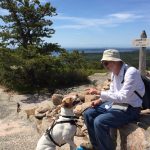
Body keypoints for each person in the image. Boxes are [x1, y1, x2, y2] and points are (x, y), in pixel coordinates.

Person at [81, 49, 145, 150]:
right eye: (103, 63)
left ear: (115, 61)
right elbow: (112, 92)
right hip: (117, 104)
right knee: (88, 114)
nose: (105, 66)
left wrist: (99, 92)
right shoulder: (114, 73)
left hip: (131, 108)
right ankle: (95, 145)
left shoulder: (131, 72)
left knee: (99, 121)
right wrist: (100, 100)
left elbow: (123, 97)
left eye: (106, 63)